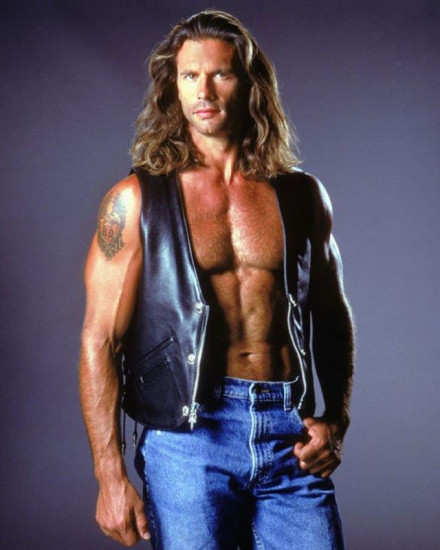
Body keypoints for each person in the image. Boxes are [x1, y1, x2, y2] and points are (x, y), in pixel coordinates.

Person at [80, 9, 355, 550]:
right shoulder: (134, 201)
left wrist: (337, 420)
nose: (204, 91)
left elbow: (332, 312)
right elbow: (99, 339)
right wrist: (109, 475)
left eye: (221, 74)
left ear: (249, 85)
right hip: (189, 437)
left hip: (288, 429)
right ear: (173, 88)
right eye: (190, 75)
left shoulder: (301, 195)